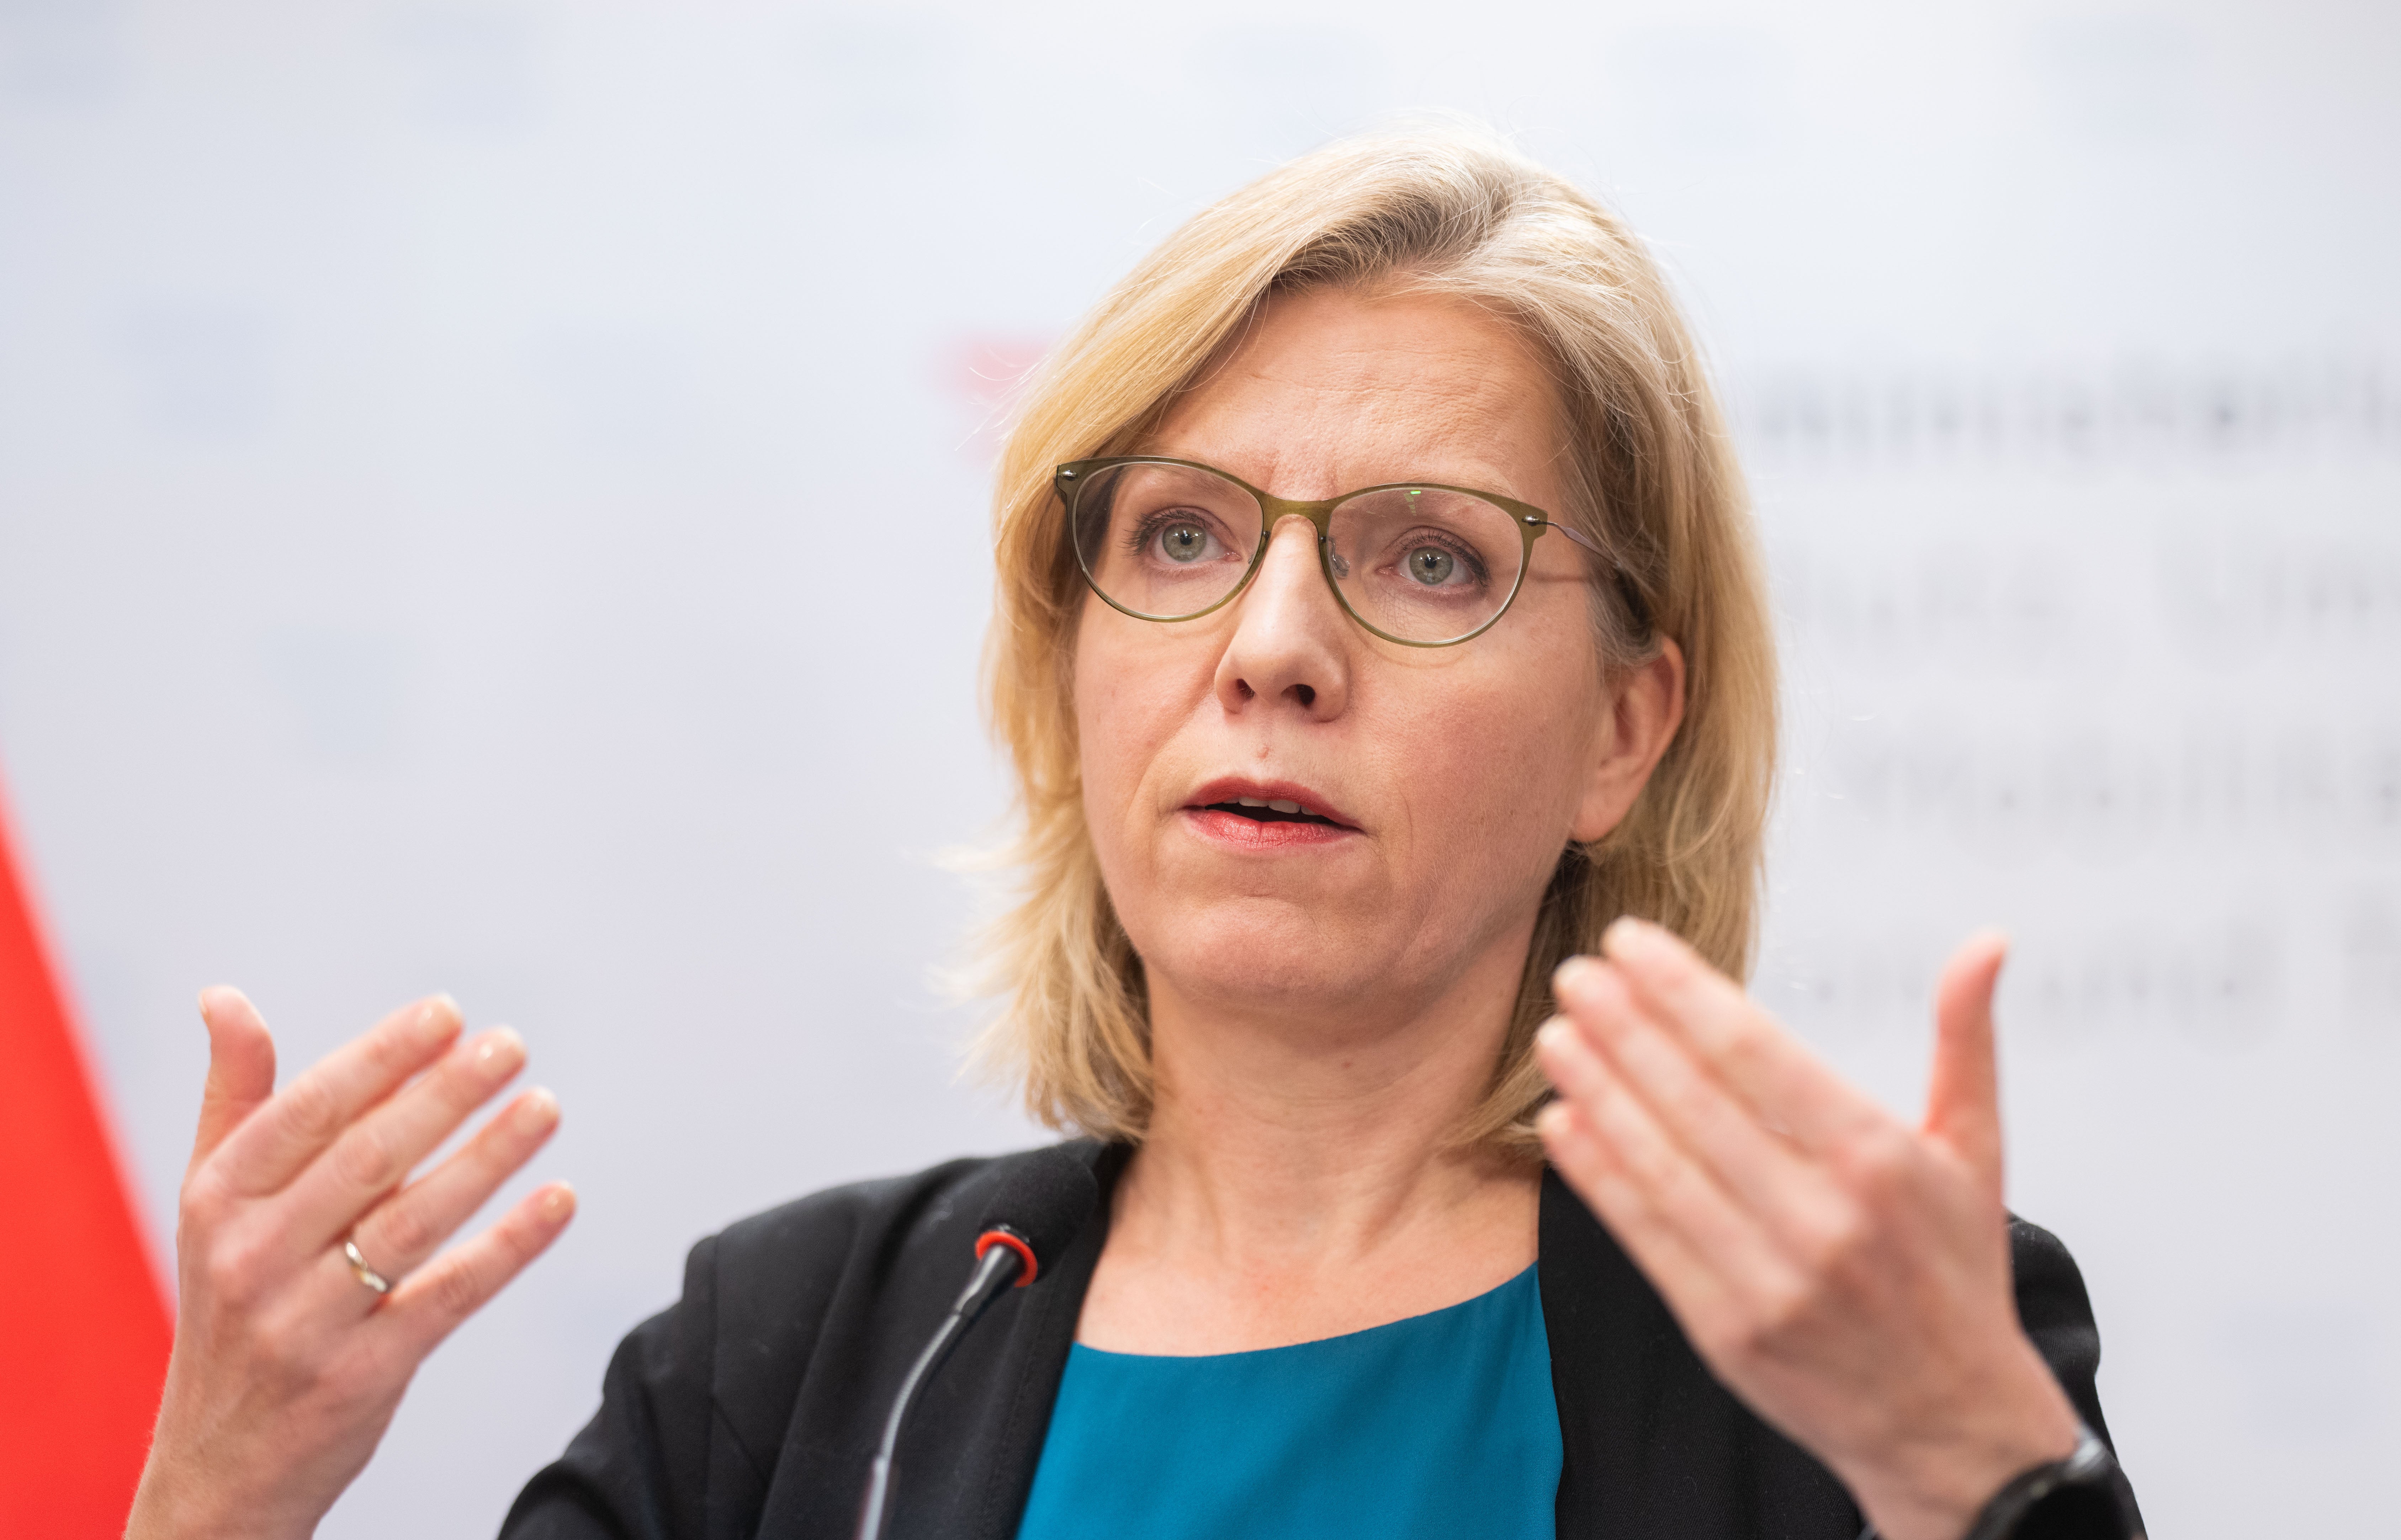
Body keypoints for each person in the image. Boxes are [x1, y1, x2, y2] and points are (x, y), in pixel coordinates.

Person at [126, 127, 2141, 1540]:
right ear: (1069, 651)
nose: (1272, 650)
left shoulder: (1849, 1348)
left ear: (1624, 731)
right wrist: (223, 1491)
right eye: (1182, 536)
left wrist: (1979, 1480)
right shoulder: (785, 1359)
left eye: (1431, 559)